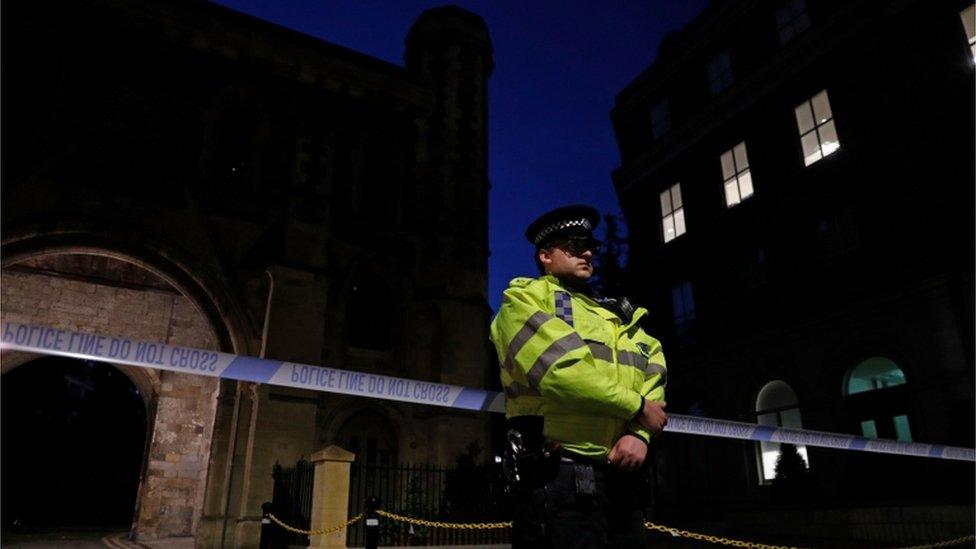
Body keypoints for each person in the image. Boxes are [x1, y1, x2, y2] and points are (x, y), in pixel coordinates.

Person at [490, 204, 668, 549]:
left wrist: (640, 436)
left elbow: (654, 368)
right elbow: (560, 373)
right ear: (545, 255)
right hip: (557, 476)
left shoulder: (618, 315)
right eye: (573, 246)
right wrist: (636, 407)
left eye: (591, 246)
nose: (586, 252)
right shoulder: (524, 299)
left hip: (623, 478)